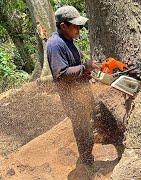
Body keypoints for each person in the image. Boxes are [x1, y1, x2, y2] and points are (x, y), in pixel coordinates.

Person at [47, 6, 99, 169]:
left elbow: (73, 67)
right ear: (63, 26)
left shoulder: (68, 41)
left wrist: (84, 73)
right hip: (72, 99)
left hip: (80, 94)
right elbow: (61, 74)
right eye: (75, 26)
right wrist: (84, 68)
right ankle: (86, 164)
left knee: (87, 127)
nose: (79, 29)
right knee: (82, 129)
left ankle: (86, 157)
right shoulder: (55, 45)